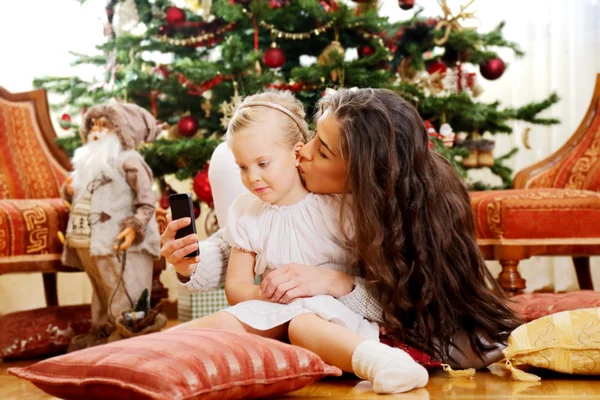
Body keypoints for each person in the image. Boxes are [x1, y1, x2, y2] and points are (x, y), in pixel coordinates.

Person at [161, 88, 521, 374]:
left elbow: (413, 305)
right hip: (275, 311)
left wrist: (335, 282)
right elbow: (238, 242)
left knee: (304, 324)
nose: (302, 152)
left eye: (323, 151)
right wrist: (190, 259)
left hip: (345, 322)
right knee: (210, 330)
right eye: (314, 138)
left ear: (361, 173)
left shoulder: (386, 215)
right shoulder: (274, 194)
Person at [169, 91, 429, 394]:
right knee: (223, 323)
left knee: (303, 324)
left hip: (330, 312)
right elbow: (236, 287)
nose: (253, 178)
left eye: (263, 163)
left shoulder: (338, 208)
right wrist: (268, 294)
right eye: (242, 167)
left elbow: (375, 279)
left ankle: (383, 363)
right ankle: (142, 354)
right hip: (272, 309)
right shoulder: (246, 212)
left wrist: (315, 292)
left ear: (296, 153)